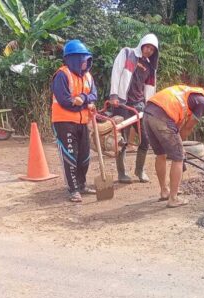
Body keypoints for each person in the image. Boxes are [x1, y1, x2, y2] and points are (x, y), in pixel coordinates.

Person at [142, 79, 204, 208]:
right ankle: (173, 198)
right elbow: (188, 127)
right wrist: (179, 146)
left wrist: (177, 141)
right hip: (162, 117)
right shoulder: (203, 102)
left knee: (161, 154)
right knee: (179, 157)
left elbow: (178, 120)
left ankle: (165, 191)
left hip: (148, 113)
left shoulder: (187, 92)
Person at [109, 34, 160, 183]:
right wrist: (114, 95)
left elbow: (150, 88)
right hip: (122, 103)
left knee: (146, 138)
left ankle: (140, 170)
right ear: (142, 44)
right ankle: (122, 173)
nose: (149, 50)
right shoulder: (127, 53)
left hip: (139, 105)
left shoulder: (150, 67)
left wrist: (150, 105)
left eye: (152, 49)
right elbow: (116, 72)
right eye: (147, 47)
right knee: (121, 140)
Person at [51, 39, 98, 202]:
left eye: (87, 59)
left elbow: (94, 95)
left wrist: (83, 99)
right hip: (63, 122)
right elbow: (64, 100)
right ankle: (73, 189)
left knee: (84, 156)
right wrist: (82, 104)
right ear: (74, 59)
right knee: (70, 155)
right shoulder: (62, 75)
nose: (86, 62)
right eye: (84, 59)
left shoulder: (88, 77)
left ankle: (82, 184)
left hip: (83, 122)